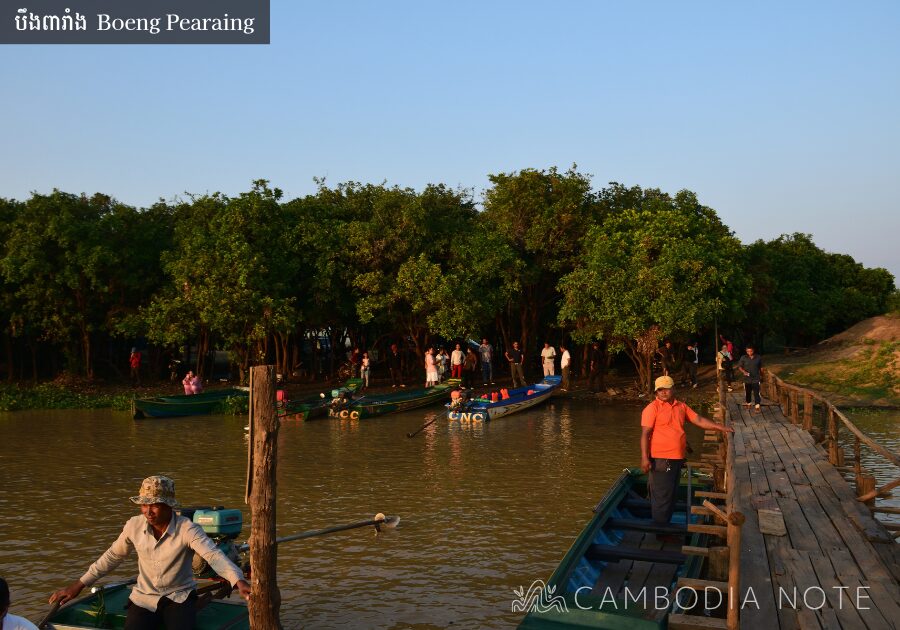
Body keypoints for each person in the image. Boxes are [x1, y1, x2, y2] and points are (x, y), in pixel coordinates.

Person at [49, 476, 251, 630]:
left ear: (169, 506)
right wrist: (78, 585)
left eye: (154, 505)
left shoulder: (187, 529)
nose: (148, 511)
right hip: (144, 598)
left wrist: (238, 581)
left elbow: (213, 556)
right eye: (144, 505)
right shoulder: (134, 526)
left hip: (178, 596)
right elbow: (112, 556)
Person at [641, 376, 734, 535]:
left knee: (671, 494)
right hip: (661, 459)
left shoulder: (681, 406)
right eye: (660, 390)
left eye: (667, 389)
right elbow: (645, 434)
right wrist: (644, 458)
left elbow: (698, 420)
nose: (663, 393)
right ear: (656, 392)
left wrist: (721, 428)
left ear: (673, 389)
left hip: (677, 458)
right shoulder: (652, 408)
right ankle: (661, 533)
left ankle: (664, 528)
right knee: (662, 496)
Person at [737, 344, 763, 410]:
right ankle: (748, 403)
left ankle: (757, 405)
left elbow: (761, 367)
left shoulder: (758, 357)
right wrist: (744, 372)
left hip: (756, 378)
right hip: (747, 378)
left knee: (756, 392)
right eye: (748, 351)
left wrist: (762, 375)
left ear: (753, 351)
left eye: (750, 351)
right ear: (746, 351)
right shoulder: (743, 357)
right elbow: (740, 367)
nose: (749, 353)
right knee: (748, 392)